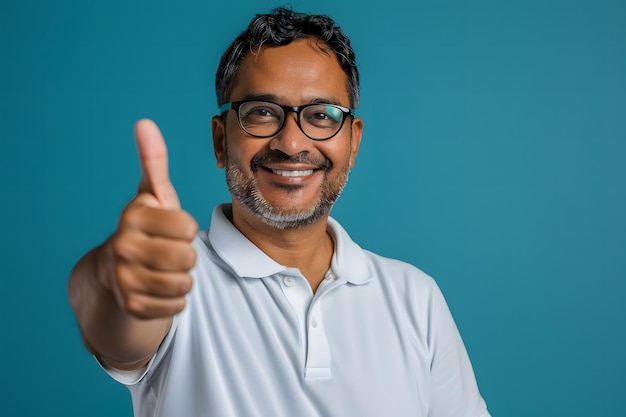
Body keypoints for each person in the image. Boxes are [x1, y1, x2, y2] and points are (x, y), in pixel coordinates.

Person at [68, 7, 491, 417]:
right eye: (262, 113)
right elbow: (114, 326)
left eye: (322, 115)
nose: (291, 144)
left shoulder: (416, 299)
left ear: (353, 142)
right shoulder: (174, 278)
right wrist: (110, 279)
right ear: (220, 141)